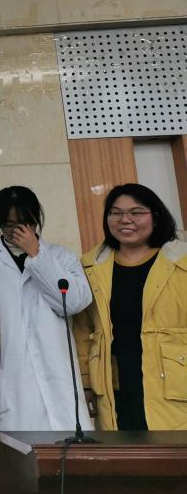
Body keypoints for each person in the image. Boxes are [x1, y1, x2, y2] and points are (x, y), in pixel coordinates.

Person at [0, 186, 92, 431]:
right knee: (17, 449)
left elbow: (74, 302)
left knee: (66, 444)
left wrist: (37, 255)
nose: (18, 232)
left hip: (57, 374)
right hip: (10, 378)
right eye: (9, 225)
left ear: (36, 219)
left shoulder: (61, 257)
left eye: (25, 223)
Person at [73, 183, 187, 431]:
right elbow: (82, 330)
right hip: (114, 385)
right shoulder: (90, 267)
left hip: (174, 383)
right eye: (116, 213)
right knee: (125, 451)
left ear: (155, 216)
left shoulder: (182, 262)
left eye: (136, 212)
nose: (125, 220)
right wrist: (85, 382)